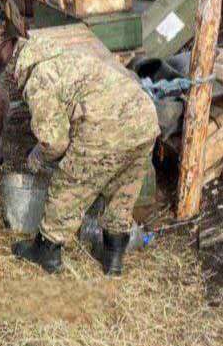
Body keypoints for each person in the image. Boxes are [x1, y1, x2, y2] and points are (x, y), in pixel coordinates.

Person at [8, 36, 160, 277]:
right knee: (124, 189)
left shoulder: (40, 78)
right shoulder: (74, 59)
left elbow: (54, 142)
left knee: (70, 182)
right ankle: (114, 257)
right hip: (145, 119)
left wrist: (38, 154)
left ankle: (47, 249)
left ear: (21, 66)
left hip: (106, 129)